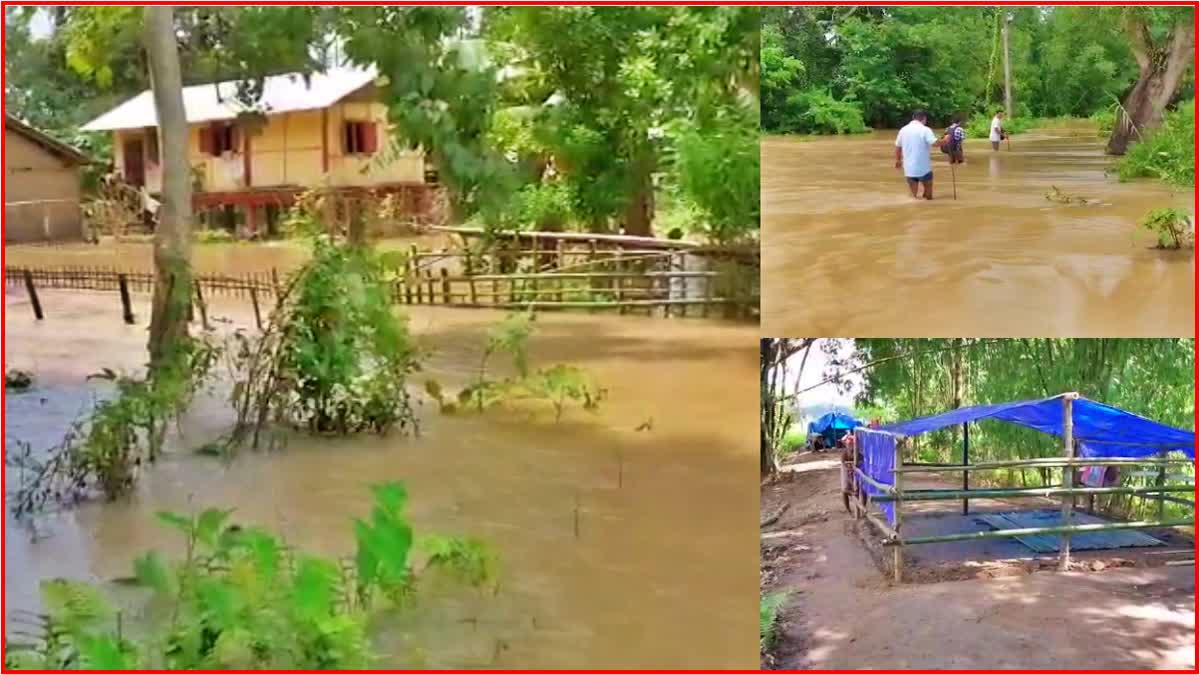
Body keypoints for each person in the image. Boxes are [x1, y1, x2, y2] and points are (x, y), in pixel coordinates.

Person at [894, 110, 946, 200]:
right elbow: (935, 143)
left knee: (912, 197)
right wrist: (946, 140)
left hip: (909, 169)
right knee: (928, 196)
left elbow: (898, 147)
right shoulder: (925, 129)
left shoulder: (903, 130)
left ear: (913, 118)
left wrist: (898, 160)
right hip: (924, 169)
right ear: (924, 118)